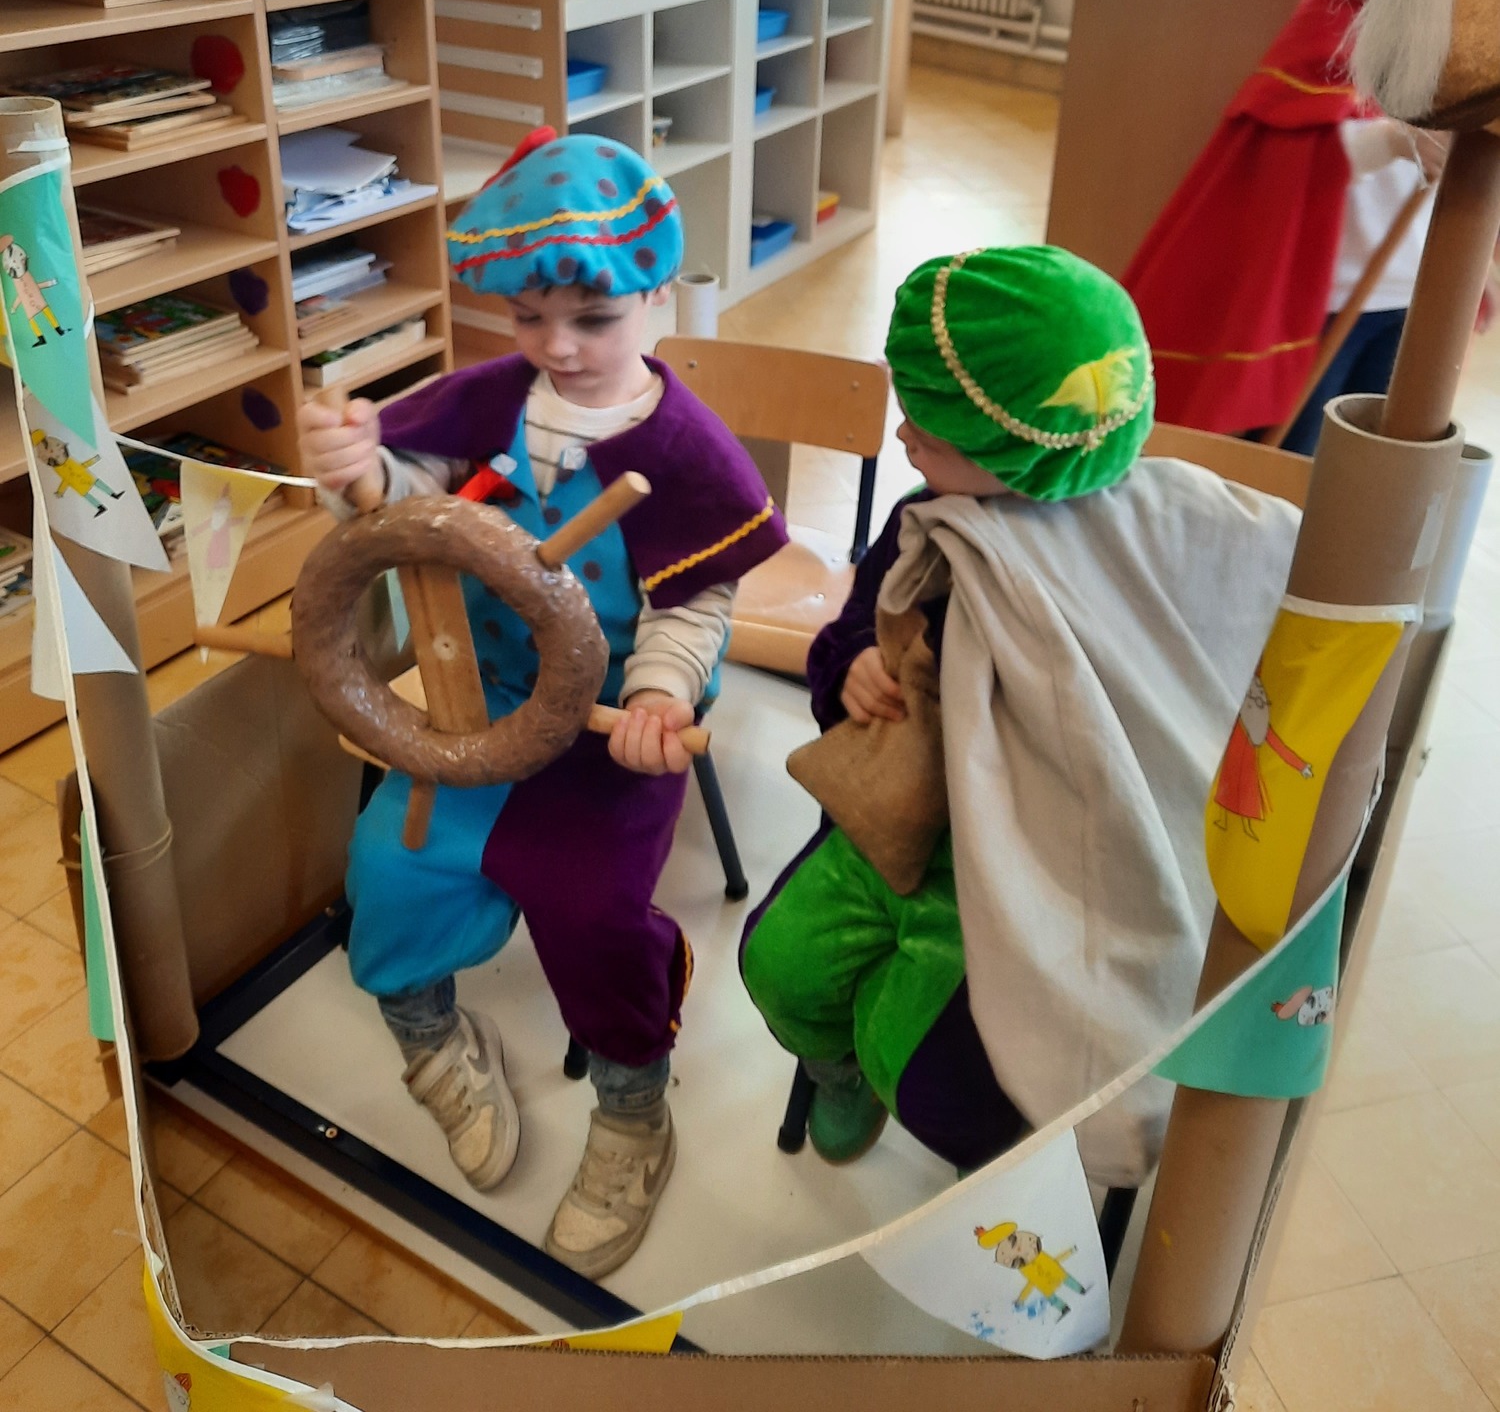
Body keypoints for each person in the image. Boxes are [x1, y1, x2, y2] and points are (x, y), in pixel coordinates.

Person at [298, 127, 785, 1278]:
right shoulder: (489, 397)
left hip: (615, 730)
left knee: (595, 910)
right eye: (528, 317)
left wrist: (660, 691)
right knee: (388, 865)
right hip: (478, 701)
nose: (558, 346)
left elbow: (694, 606)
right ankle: (434, 1040)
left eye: (593, 319)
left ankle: (633, 1105)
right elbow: (411, 500)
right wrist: (361, 470)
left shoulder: (690, 451)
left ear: (660, 295)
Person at [741, 245, 1299, 1186]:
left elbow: (1178, 693)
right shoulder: (929, 522)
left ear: (1013, 447)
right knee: (777, 965)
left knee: (924, 1070)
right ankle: (838, 1073)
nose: (904, 433)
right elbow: (845, 630)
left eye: (930, 427)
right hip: (899, 822)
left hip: (1025, 868)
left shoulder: (1160, 531)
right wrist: (855, 666)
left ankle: (911, 1098)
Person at [1122, 0, 1448, 454]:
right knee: (1298, 455)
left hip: (1413, 288)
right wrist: (1398, 139)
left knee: (1375, 454)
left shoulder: (1466, 17)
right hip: (1331, 288)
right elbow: (1298, 150)